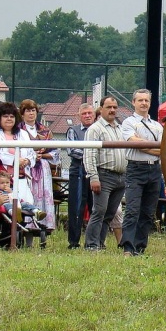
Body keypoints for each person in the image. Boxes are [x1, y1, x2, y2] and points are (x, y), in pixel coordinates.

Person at [120, 88, 163, 256]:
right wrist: (153, 146)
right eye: (140, 100)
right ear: (133, 102)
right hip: (135, 169)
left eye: (146, 100)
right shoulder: (128, 123)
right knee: (132, 209)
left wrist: (143, 144)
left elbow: (164, 149)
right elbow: (133, 142)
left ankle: (140, 247)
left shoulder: (157, 126)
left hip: (154, 170)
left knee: (148, 211)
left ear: (150, 103)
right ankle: (128, 247)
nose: (144, 103)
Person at [83, 96, 127, 251]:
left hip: (121, 177)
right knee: (99, 211)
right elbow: (89, 154)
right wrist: (93, 177)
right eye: (109, 107)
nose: (112, 110)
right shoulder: (95, 129)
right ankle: (91, 245)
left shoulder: (120, 128)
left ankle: (99, 243)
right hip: (104, 175)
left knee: (109, 214)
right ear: (101, 109)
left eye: (115, 107)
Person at [0, 103, 37, 207]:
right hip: (3, 183)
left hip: (22, 179)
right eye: (5, 116)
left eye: (12, 116)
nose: (9, 119)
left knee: (27, 206)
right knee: (10, 208)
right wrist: (15, 160)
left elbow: (32, 153)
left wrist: (26, 160)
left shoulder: (23, 133)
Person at [18, 99, 58, 231]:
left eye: (33, 110)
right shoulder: (18, 130)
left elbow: (56, 151)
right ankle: (27, 225)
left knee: (43, 196)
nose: (31, 113)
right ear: (22, 113)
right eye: (27, 111)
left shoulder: (45, 130)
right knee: (27, 195)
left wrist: (43, 156)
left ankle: (44, 226)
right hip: (26, 168)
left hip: (42, 168)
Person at [65, 103, 95, 249]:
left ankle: (94, 242)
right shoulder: (73, 130)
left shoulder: (99, 130)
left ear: (94, 114)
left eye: (90, 113)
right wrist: (92, 155)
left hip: (96, 172)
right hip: (78, 171)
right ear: (79, 116)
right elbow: (72, 151)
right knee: (76, 207)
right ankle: (73, 242)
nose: (88, 116)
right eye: (84, 114)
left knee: (96, 207)